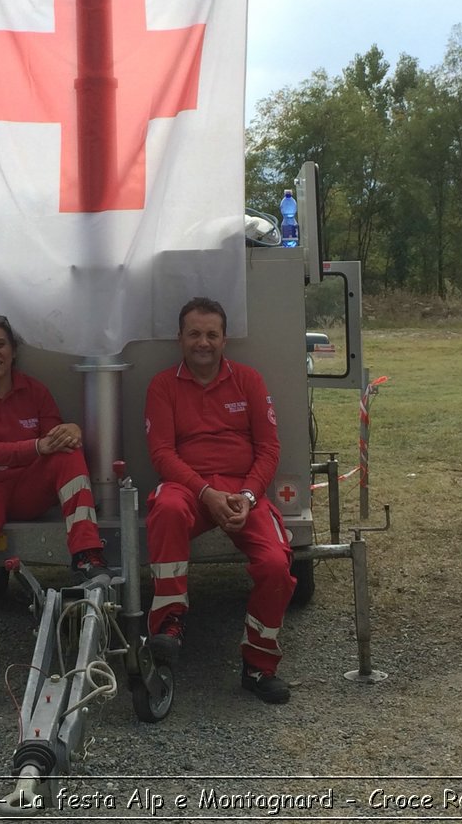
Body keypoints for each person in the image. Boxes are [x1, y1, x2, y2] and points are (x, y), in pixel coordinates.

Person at [0, 314, 109, 714]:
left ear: (13, 350)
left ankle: (87, 553)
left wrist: (70, 431)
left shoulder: (34, 390)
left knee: (69, 452)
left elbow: (55, 438)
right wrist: (35, 447)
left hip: (24, 487)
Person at [144, 296, 296, 704]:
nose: (203, 342)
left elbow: (269, 449)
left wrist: (247, 495)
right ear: (180, 338)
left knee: (276, 565)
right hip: (189, 489)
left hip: (242, 491)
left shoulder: (248, 380)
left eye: (212, 334)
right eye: (194, 333)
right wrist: (205, 493)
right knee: (166, 508)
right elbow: (161, 454)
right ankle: (168, 626)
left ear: (225, 339)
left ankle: (258, 666)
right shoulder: (162, 386)